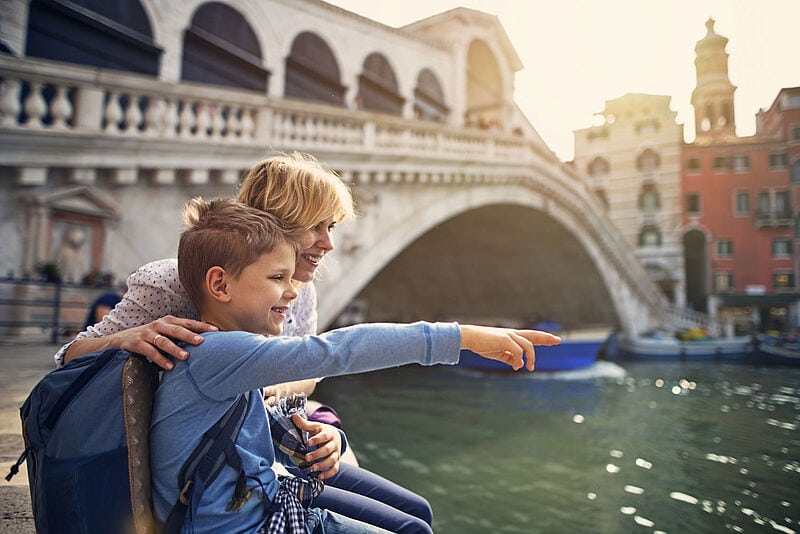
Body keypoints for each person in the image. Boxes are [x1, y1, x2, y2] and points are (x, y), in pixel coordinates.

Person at [52, 153, 437, 532]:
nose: (329, 243)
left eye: (332, 227)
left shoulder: (300, 290)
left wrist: (279, 387)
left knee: (416, 509)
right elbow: (67, 360)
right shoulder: (169, 282)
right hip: (212, 478)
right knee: (408, 525)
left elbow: (308, 370)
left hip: (267, 450)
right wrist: (128, 337)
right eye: (317, 227)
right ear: (277, 222)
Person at [150, 197, 560, 533]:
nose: (291, 292)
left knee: (416, 517)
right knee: (415, 528)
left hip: (260, 501)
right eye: (278, 278)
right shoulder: (219, 352)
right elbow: (338, 350)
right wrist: (465, 337)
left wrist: (327, 438)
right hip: (249, 521)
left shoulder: (222, 351)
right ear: (220, 285)